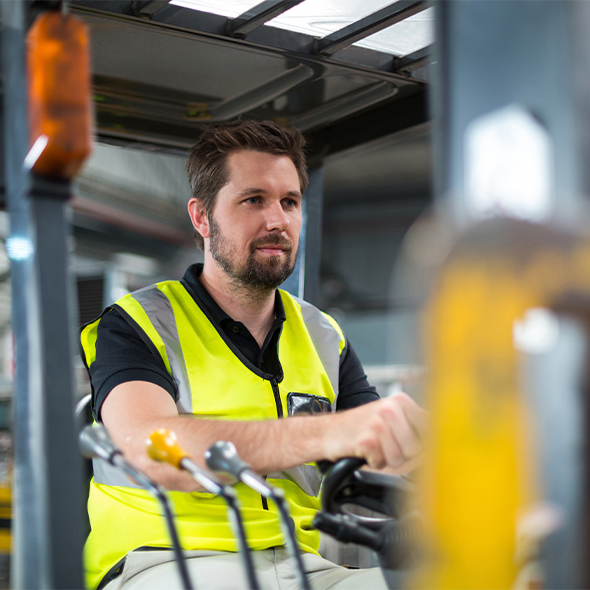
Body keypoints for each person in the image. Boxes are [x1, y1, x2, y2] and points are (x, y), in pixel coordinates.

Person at [80, 120, 426, 590]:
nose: (278, 220)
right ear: (202, 218)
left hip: (305, 564)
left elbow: (377, 456)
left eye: (290, 202)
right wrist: (326, 434)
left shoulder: (325, 337)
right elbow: (151, 448)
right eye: (253, 200)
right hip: (167, 561)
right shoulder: (136, 323)